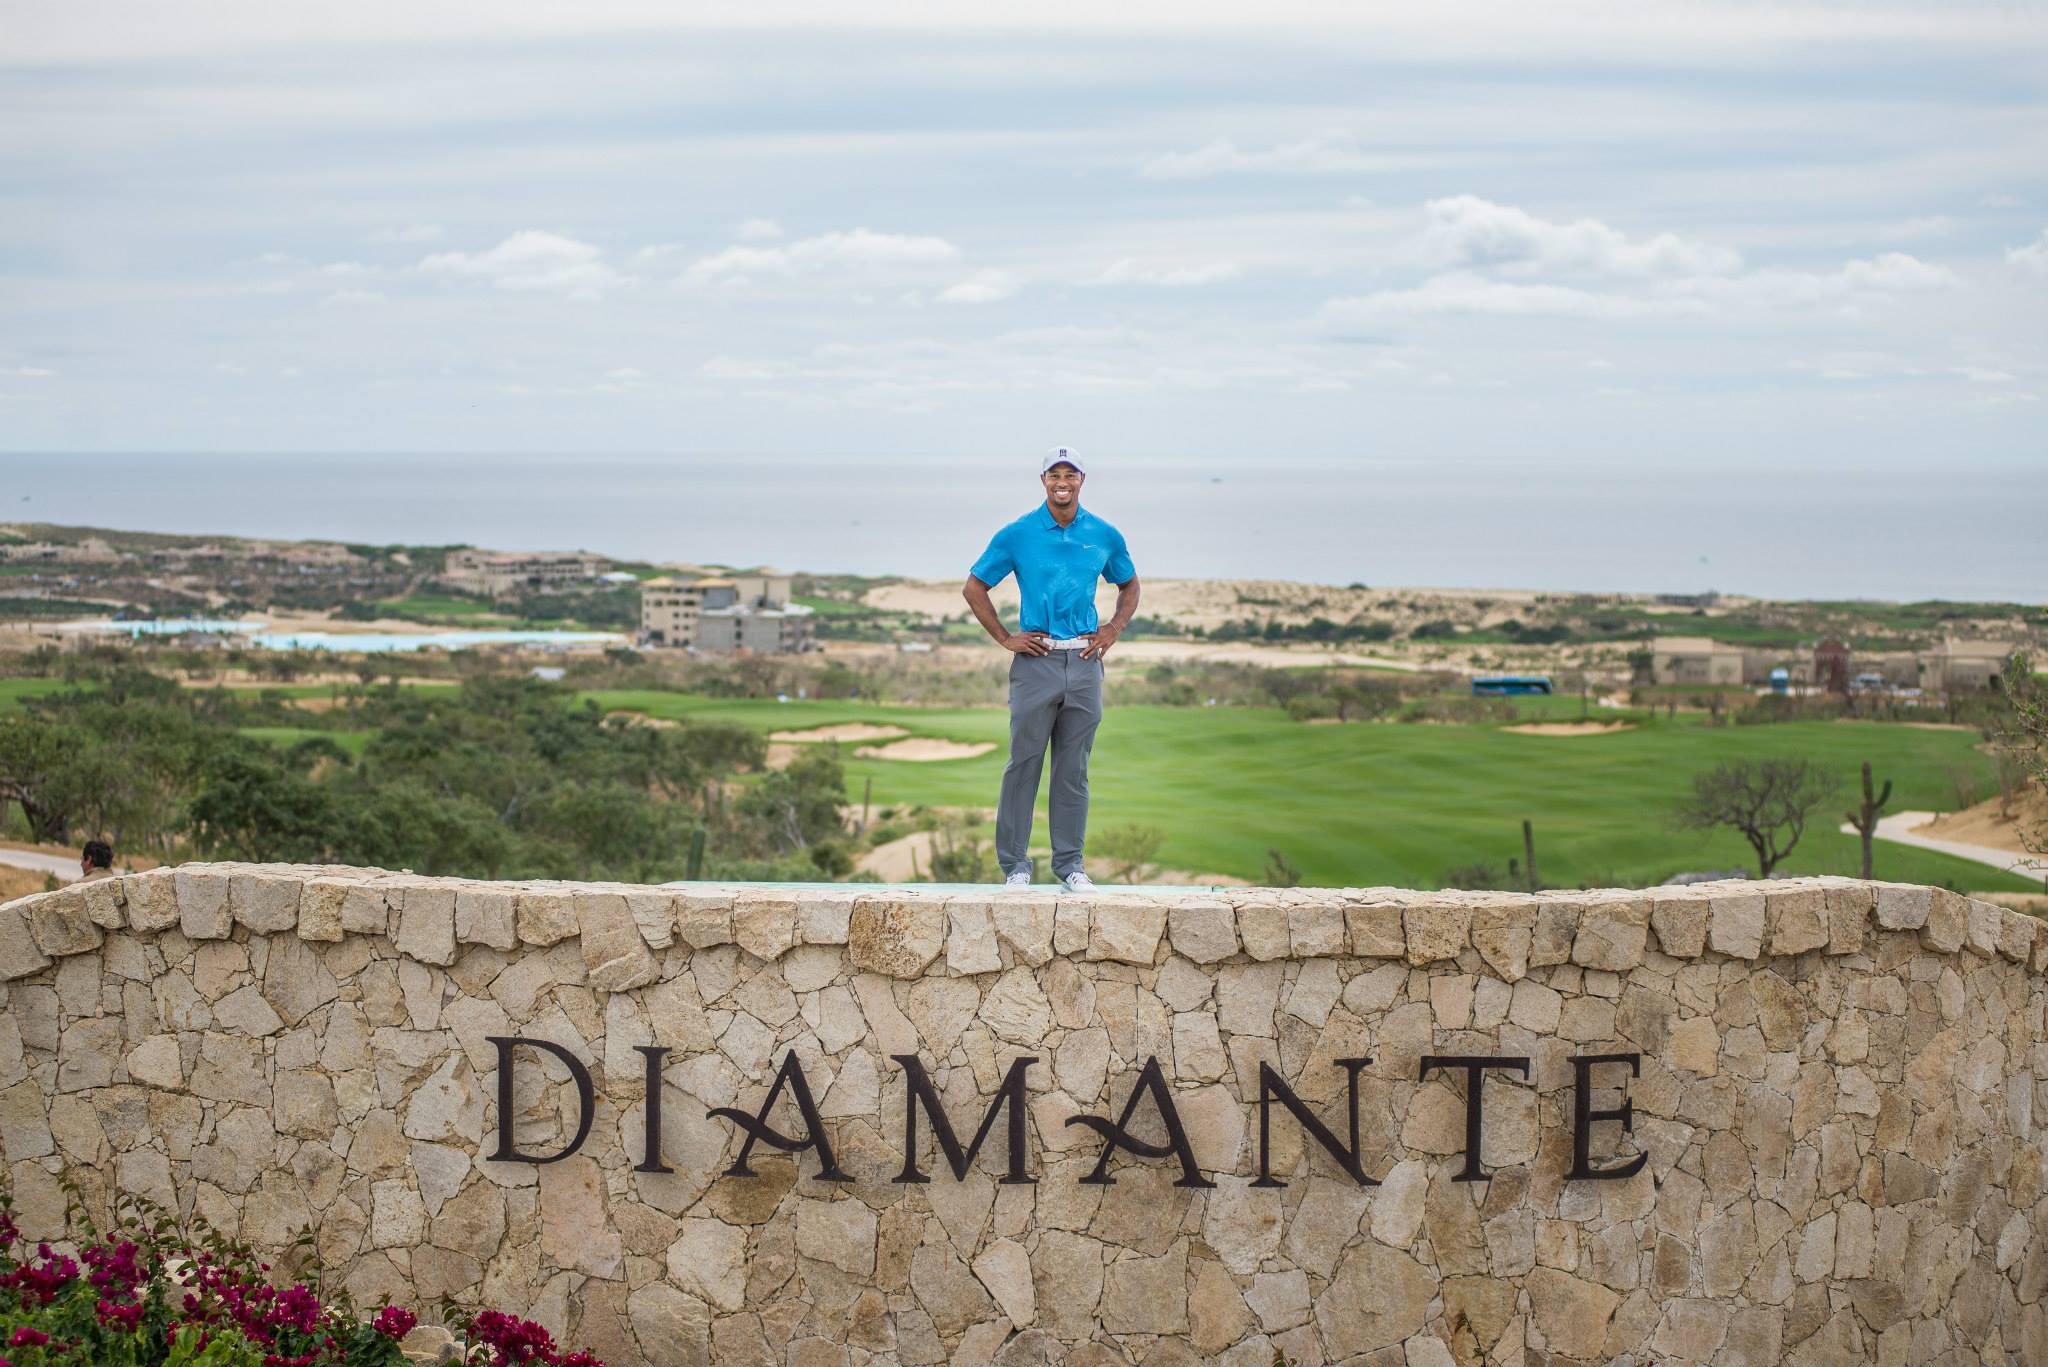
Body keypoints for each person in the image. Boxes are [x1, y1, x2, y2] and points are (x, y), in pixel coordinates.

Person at [963, 447, 1139, 891]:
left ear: (1082, 479)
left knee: (1073, 769)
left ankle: (1071, 866)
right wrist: (1006, 638)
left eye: (1071, 474)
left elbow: (1130, 584)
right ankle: (1015, 867)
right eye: (1055, 474)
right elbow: (974, 587)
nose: (1063, 481)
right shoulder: (1018, 534)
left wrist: (1113, 629)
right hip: (1035, 661)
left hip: (1084, 662)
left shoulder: (1103, 533)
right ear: (1043, 479)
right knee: (1023, 763)